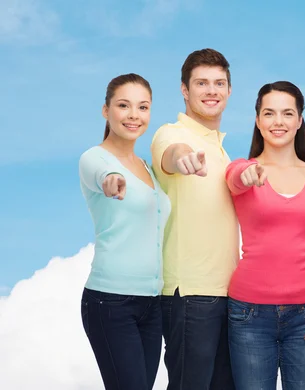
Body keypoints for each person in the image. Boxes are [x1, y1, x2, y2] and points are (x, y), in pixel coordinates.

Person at [225, 81, 305, 390]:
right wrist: (245, 174)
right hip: (248, 315)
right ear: (258, 120)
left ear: (300, 120)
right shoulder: (244, 170)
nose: (278, 122)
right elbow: (234, 177)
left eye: (287, 113)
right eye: (269, 113)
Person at [150, 49, 238, 390]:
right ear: (185, 90)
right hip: (190, 293)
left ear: (230, 91)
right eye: (201, 83)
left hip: (228, 294)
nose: (211, 91)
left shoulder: (221, 149)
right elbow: (171, 155)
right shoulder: (171, 134)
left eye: (219, 83)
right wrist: (183, 158)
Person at [79, 73, 171, 390]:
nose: (134, 115)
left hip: (152, 303)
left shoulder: (147, 167)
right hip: (111, 302)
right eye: (123, 105)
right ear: (106, 110)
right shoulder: (95, 158)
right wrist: (111, 180)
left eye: (143, 107)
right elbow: (103, 174)